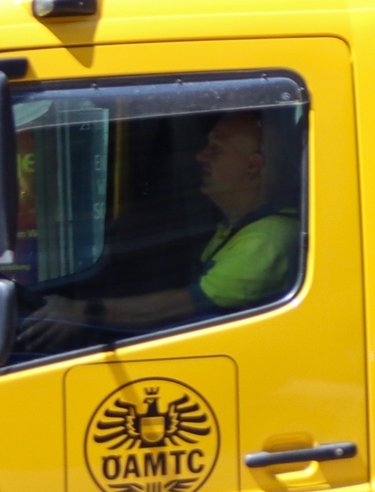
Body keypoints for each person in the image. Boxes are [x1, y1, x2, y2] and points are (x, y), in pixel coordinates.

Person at [17, 111, 301, 351]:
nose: (202, 156)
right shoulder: (237, 227)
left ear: (253, 165)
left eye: (216, 148)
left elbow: (181, 306)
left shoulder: (266, 240)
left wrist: (81, 312)